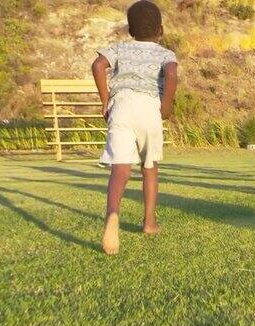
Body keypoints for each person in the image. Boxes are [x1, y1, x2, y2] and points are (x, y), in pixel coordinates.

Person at [92, 0, 178, 254]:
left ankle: (112, 216)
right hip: (149, 108)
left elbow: (98, 65)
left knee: (120, 168)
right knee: (149, 167)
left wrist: (106, 101)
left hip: (122, 107)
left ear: (130, 31)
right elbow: (171, 75)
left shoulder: (119, 48)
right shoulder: (165, 54)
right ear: (160, 30)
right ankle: (149, 222)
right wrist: (166, 106)